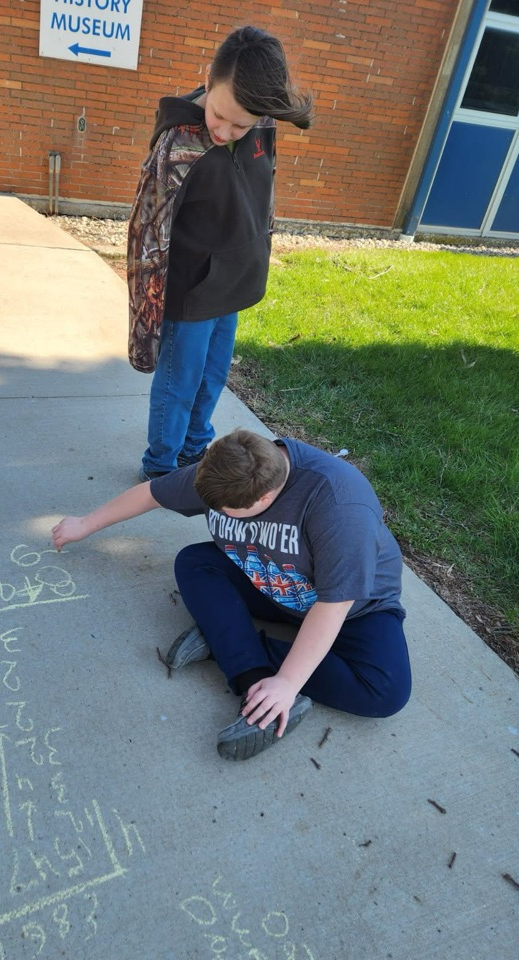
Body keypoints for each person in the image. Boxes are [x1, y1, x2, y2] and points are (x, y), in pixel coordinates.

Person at [52, 430, 411, 762]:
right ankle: (249, 673)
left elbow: (334, 606)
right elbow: (152, 494)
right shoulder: (230, 468)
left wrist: (288, 683)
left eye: (228, 512)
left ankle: (226, 645)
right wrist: (84, 524)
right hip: (268, 582)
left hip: (354, 608)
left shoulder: (339, 505)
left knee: (384, 693)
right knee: (195, 562)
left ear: (266, 497)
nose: (217, 513)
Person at [127, 26, 312, 482]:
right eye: (220, 115)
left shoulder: (263, 123)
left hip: (232, 283)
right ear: (208, 83)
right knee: (179, 385)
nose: (226, 131)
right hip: (190, 291)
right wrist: (145, 318)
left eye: (240, 125)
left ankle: (194, 454)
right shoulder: (178, 145)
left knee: (211, 380)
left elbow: (263, 197)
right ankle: (162, 468)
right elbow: (145, 237)